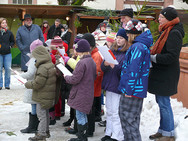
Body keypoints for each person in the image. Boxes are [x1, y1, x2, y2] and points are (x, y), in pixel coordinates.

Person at [148, 7, 184, 141]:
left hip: (167, 74)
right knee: (161, 102)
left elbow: (172, 56)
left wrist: (153, 58)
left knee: (164, 103)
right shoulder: (166, 31)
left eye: (161, 17)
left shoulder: (174, 32)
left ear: (168, 18)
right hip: (162, 73)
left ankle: (168, 134)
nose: (159, 20)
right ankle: (162, 130)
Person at [118, 19, 153, 141]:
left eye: (127, 33)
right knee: (133, 119)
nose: (126, 35)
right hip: (136, 89)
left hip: (132, 90)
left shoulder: (137, 47)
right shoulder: (141, 46)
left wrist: (128, 90)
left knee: (127, 118)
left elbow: (134, 70)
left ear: (132, 33)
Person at [64, 39, 96, 141]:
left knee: (80, 115)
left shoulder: (82, 63)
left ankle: (81, 138)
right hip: (88, 92)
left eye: (77, 50)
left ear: (81, 50)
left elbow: (74, 79)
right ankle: (83, 136)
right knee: (83, 114)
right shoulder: (91, 61)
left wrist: (66, 76)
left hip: (80, 93)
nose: (76, 52)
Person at [100, 28, 129, 141]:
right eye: (117, 38)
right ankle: (109, 132)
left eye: (121, 38)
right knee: (110, 110)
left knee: (116, 112)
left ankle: (117, 135)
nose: (118, 40)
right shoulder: (113, 50)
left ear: (126, 40)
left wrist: (114, 66)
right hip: (109, 84)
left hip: (118, 85)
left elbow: (124, 70)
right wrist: (106, 64)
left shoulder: (127, 53)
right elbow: (103, 68)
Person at [25, 45, 57, 141]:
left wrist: (27, 84)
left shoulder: (42, 68)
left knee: (41, 115)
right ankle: (45, 131)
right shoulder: (49, 64)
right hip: (48, 95)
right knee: (45, 114)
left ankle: (41, 134)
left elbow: (38, 83)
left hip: (42, 95)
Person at [82, 33, 104, 137]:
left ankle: (89, 131)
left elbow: (97, 73)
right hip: (91, 88)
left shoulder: (96, 55)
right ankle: (88, 129)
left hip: (93, 89)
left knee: (90, 111)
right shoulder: (92, 54)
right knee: (89, 110)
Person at [20, 39, 43, 134]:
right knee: (37, 105)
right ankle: (35, 125)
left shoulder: (34, 60)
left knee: (34, 104)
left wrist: (20, 76)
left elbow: (30, 73)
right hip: (40, 84)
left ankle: (32, 126)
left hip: (33, 84)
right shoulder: (43, 57)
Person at [0, 17, 15, 90]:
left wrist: (10, 46)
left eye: (5, 22)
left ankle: (7, 84)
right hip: (0, 54)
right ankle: (0, 85)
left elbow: (13, 41)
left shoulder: (9, 32)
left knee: (8, 69)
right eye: (3, 23)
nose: (5, 24)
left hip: (7, 54)